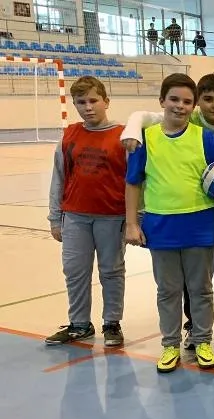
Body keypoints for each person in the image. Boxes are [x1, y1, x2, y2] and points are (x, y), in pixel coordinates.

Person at [123, 73, 214, 373]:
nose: (180, 106)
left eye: (187, 101)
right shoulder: (147, 139)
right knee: (168, 290)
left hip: (199, 226)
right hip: (160, 228)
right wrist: (132, 223)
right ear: (162, 102)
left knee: (200, 289)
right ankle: (170, 344)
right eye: (174, 99)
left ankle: (201, 341)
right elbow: (133, 183)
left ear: (193, 105)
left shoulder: (203, 138)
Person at [46, 76, 128, 347]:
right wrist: (55, 218)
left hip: (112, 216)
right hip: (75, 217)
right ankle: (79, 323)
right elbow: (59, 177)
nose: (88, 107)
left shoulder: (124, 136)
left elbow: (136, 182)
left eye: (93, 100)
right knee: (75, 270)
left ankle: (112, 322)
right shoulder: (69, 135)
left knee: (111, 270)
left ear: (106, 101)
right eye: (81, 102)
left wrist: (135, 220)